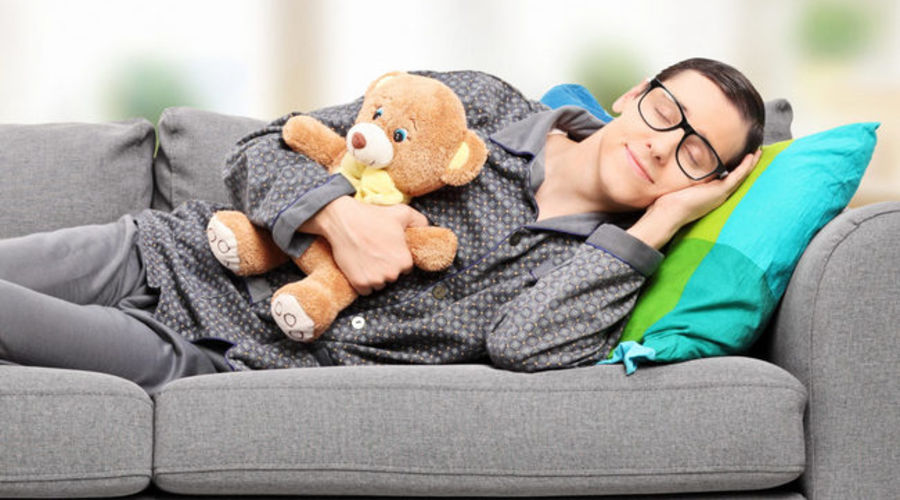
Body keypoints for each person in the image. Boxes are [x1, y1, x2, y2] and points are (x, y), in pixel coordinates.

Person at [0, 58, 765, 394]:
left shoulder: (604, 269)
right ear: (635, 94)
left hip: (222, 357)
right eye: (667, 111)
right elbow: (270, 146)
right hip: (169, 256)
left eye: (696, 154)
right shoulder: (485, 104)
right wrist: (337, 217)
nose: (662, 145)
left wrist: (659, 222)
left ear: (709, 183)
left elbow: (521, 346)